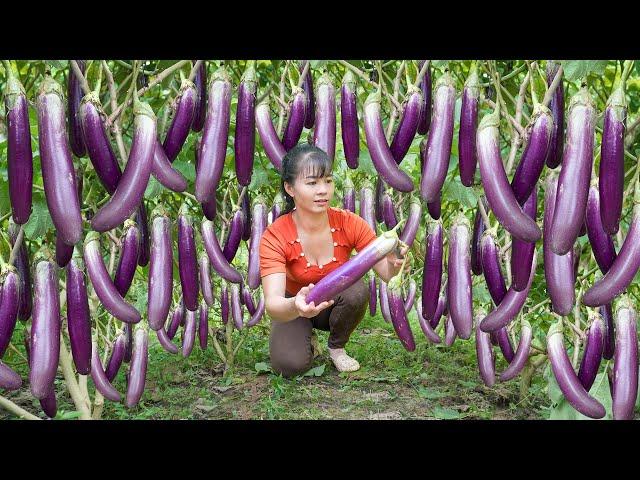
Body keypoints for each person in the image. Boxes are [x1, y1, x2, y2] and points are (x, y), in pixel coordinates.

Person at [259, 144, 410, 378]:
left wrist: (395, 265)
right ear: (290, 188)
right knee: (290, 366)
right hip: (294, 307)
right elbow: (273, 305)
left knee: (357, 290)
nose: (323, 190)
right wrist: (295, 306)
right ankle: (303, 335)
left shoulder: (349, 223)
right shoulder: (275, 235)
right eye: (312, 183)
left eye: (328, 181)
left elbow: (386, 272)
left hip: (333, 302)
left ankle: (336, 347)